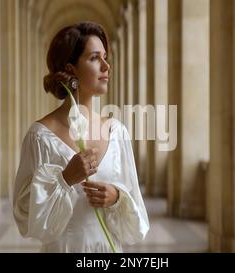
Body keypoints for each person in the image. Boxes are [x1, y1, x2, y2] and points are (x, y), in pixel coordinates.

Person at [12, 21, 149, 253]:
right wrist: (65, 179)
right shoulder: (40, 137)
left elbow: (136, 220)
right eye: (95, 58)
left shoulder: (117, 132)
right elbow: (25, 214)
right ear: (72, 69)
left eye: (105, 57)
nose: (106, 66)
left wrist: (117, 198)